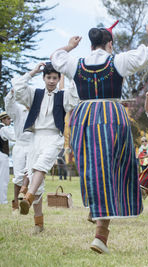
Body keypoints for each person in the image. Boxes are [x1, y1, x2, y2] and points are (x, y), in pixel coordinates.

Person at [51, 20, 148, 254]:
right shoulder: (117, 61)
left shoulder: (75, 63)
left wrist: (70, 46)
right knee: (114, 169)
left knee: (93, 168)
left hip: (83, 116)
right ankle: (101, 234)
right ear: (110, 44)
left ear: (91, 45)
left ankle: (95, 210)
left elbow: (55, 56)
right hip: (111, 114)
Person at [12, 62, 79, 234]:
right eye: (48, 77)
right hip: (35, 138)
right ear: (43, 78)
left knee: (40, 166)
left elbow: (75, 96)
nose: (51, 81)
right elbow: (18, 88)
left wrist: (69, 73)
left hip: (54, 137)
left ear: (58, 79)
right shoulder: (35, 93)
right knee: (36, 177)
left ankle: (28, 195)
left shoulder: (63, 96)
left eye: (55, 78)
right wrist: (32, 71)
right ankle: (38, 223)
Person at [4, 89, 33, 212]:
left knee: (30, 171)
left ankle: (24, 194)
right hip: (20, 146)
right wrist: (11, 93)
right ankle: (16, 203)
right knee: (18, 176)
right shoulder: (18, 110)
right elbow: (8, 104)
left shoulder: (38, 110)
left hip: (33, 145)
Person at [0, 112, 15, 205]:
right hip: (2, 155)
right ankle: (3, 201)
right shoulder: (4, 129)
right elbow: (14, 137)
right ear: (3, 120)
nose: (10, 121)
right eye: (8, 119)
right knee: (3, 179)